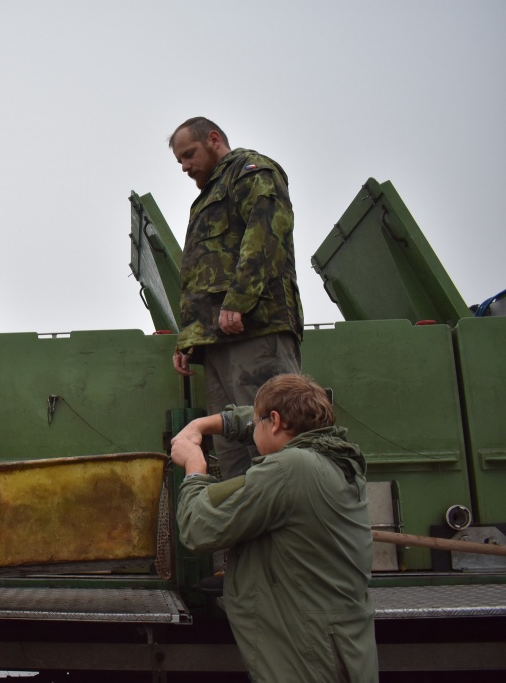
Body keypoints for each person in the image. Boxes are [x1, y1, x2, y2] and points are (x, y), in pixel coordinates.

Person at [169, 374, 378, 682]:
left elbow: (198, 529)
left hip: (308, 658)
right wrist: (202, 425)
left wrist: (194, 471)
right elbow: (257, 420)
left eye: (258, 422)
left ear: (276, 421)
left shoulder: (289, 469)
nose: (253, 429)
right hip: (336, 645)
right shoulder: (334, 456)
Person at [168, 117, 304, 480]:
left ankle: (285, 517)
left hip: (256, 331)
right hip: (218, 341)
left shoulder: (250, 171)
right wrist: (189, 339)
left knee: (274, 439)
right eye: (179, 160)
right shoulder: (208, 196)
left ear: (214, 139)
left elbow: (266, 236)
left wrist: (238, 301)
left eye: (189, 154)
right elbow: (204, 275)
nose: (184, 166)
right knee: (233, 455)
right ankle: (246, 518)